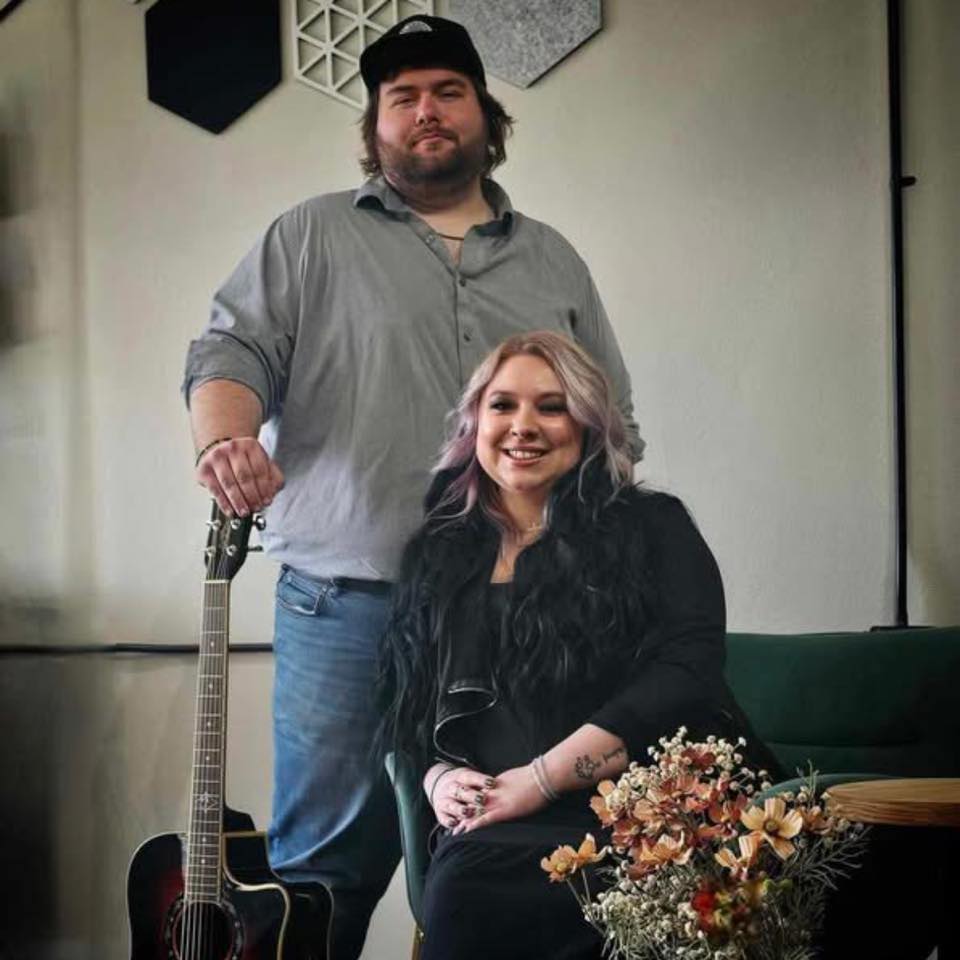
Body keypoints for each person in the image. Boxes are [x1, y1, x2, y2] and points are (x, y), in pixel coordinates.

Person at [181, 15, 642, 959]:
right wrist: (227, 439)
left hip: (521, 608)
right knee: (321, 876)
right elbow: (229, 350)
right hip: (350, 605)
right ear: (374, 124)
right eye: (402, 97)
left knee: (514, 856)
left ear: (485, 114)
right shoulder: (309, 236)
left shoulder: (551, 258)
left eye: (447, 91)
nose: (426, 111)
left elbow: (609, 419)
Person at [377, 331, 780, 960]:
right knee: (463, 885)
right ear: (474, 423)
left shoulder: (655, 527)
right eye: (502, 405)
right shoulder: (437, 553)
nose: (523, 426)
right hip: (496, 827)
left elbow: (687, 674)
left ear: (589, 425)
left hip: (647, 812)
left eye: (552, 406)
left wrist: (540, 780)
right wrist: (438, 776)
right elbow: (403, 704)